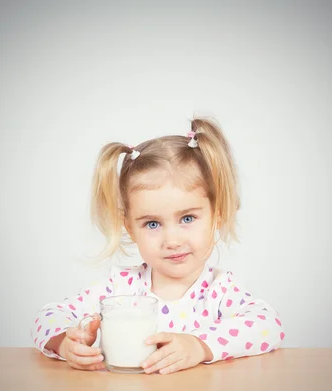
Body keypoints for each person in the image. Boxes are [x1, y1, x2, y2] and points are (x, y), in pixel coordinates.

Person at [31, 116, 285, 374]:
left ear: (216, 215)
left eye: (187, 218)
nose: (172, 241)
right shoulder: (119, 290)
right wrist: (66, 342)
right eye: (152, 224)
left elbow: (269, 326)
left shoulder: (220, 291)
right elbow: (49, 316)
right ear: (129, 227)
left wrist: (199, 346)